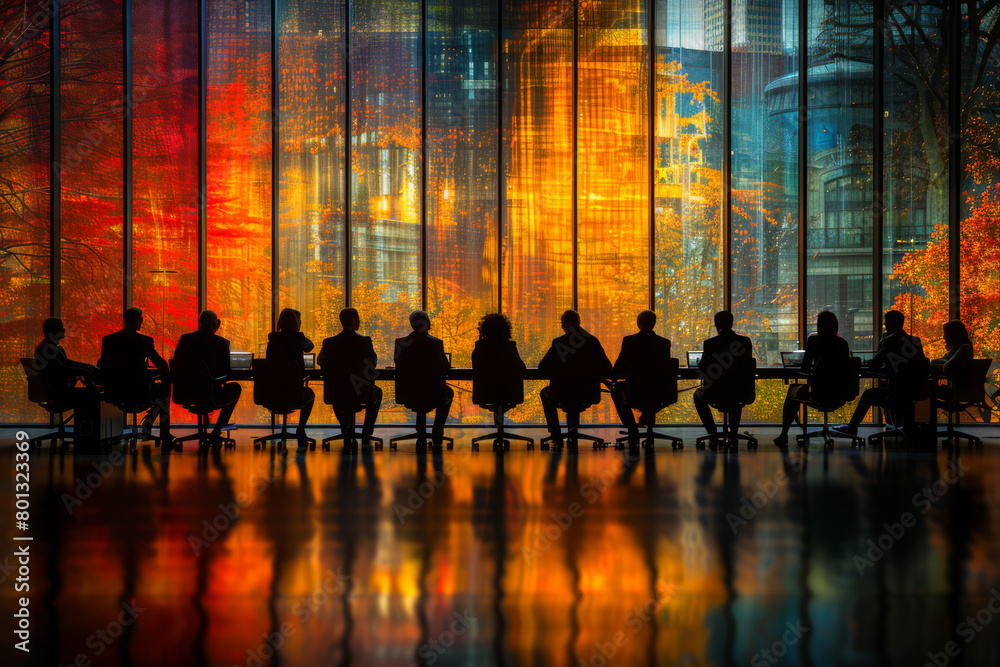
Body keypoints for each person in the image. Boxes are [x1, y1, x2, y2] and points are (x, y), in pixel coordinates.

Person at [837, 309, 928, 436]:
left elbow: (875, 366)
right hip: (915, 392)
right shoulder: (915, 341)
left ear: (889, 323)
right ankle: (909, 428)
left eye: (885, 320)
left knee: (868, 394)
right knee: (901, 396)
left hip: (895, 393)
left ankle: (852, 427)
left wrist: (870, 364)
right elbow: (909, 366)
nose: (884, 324)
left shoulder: (889, 341)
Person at [773, 310, 851, 447]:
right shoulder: (843, 344)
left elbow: (805, 368)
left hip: (818, 394)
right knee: (797, 392)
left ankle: (784, 434)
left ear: (820, 326)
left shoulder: (814, 341)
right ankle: (789, 426)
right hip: (839, 394)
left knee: (793, 390)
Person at [538, 309, 613, 446]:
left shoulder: (559, 343)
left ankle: (557, 437)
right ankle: (568, 434)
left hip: (561, 394)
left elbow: (542, 367)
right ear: (579, 322)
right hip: (588, 393)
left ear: (563, 325)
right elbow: (608, 369)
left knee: (545, 393)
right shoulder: (593, 341)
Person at [100, 307, 172, 442]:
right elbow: (161, 364)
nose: (142, 321)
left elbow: (105, 366)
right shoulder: (145, 341)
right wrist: (165, 375)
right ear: (135, 321)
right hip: (139, 392)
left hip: (115, 391)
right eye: (140, 318)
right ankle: (158, 429)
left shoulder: (108, 340)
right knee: (164, 394)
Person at [173, 310, 242, 444]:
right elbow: (226, 371)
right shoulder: (221, 343)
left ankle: (204, 414)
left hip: (186, 393)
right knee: (235, 388)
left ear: (200, 323)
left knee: (203, 387)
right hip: (211, 395)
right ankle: (216, 431)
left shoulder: (185, 339)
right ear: (215, 324)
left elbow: (177, 364)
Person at [317, 307, 383, 443]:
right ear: (354, 320)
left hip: (337, 392)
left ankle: (345, 430)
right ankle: (366, 431)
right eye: (358, 318)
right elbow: (373, 364)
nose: (359, 321)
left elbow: (319, 362)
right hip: (360, 391)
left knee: (337, 396)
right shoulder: (365, 341)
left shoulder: (329, 342)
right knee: (377, 392)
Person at [611, 310, 671, 446]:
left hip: (635, 393)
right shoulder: (664, 343)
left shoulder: (629, 341)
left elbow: (619, 368)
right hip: (658, 393)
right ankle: (646, 419)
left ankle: (632, 430)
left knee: (616, 391)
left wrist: (615, 376)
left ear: (638, 323)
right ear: (654, 324)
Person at [394, 310, 452, 445]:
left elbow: (398, 365)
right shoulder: (436, 343)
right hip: (431, 393)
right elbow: (446, 367)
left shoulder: (401, 342)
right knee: (448, 392)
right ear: (427, 323)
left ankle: (422, 433)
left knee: (422, 399)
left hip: (408, 393)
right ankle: (437, 432)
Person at [693, 310, 754, 438]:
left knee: (697, 395)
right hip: (741, 392)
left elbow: (702, 368)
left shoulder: (710, 343)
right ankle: (733, 433)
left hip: (715, 394)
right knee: (737, 393)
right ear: (732, 323)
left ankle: (712, 432)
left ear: (716, 325)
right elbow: (747, 367)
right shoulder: (745, 341)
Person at [265, 308, 315, 447]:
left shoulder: (272, 338)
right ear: (296, 323)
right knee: (310, 393)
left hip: (272, 394)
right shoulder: (298, 338)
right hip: (294, 394)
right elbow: (310, 346)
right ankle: (300, 428)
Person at [32, 317, 99, 411]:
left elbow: (65, 364)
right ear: (53, 331)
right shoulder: (47, 349)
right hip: (58, 394)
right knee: (93, 396)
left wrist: (87, 367)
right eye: (61, 327)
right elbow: (60, 370)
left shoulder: (47, 348)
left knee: (92, 393)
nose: (64, 330)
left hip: (57, 392)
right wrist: (85, 370)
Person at [471, 312, 526, 410]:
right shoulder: (509, 348)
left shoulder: (479, 349)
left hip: (485, 394)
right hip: (508, 394)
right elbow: (521, 368)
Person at [930, 320, 974, 401]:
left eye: (945, 334)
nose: (944, 337)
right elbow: (946, 362)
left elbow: (947, 367)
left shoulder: (964, 348)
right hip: (957, 388)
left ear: (952, 335)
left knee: (926, 388)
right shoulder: (960, 349)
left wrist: (932, 366)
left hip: (956, 390)